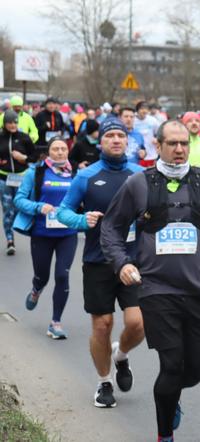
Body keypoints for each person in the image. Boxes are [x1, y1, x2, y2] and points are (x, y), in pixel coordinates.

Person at [101, 120, 200, 442]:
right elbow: (110, 229)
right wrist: (122, 263)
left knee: (197, 368)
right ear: (158, 145)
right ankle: (164, 435)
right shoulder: (138, 184)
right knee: (172, 364)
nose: (179, 149)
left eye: (184, 143)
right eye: (172, 143)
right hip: (157, 288)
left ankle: (171, 396)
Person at [56, 118, 144, 408]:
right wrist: (83, 219)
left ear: (127, 141)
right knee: (102, 325)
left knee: (138, 323)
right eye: (110, 136)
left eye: (121, 135)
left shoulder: (140, 174)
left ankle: (120, 355)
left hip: (133, 261)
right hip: (97, 260)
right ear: (101, 142)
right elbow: (63, 212)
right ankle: (104, 382)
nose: (116, 140)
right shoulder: (86, 176)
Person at [13, 137, 78, 339]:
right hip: (42, 233)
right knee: (42, 276)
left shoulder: (76, 173)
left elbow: (84, 198)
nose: (60, 152)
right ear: (48, 152)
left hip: (67, 234)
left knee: (62, 275)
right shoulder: (37, 172)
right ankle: (36, 289)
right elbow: (19, 199)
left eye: (63, 149)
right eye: (55, 149)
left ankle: (55, 322)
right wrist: (38, 207)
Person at [0, 109, 37, 255]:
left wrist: (24, 158)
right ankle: (10, 240)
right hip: (4, 178)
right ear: (4, 124)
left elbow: (35, 156)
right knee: (8, 210)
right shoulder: (0, 137)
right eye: (9, 122)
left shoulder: (24, 137)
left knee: (21, 207)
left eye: (15, 122)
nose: (13, 125)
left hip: (22, 178)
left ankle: (30, 231)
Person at [134, 101, 160, 166]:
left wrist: (156, 139)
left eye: (146, 109)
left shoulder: (152, 120)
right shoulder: (133, 120)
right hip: (136, 154)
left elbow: (160, 133)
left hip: (151, 154)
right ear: (137, 110)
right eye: (142, 109)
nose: (144, 111)